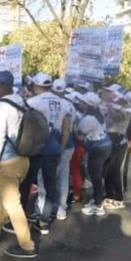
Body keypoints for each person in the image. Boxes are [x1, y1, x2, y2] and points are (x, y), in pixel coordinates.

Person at [0, 70, 37, 259]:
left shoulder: (0, 107)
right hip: (24, 159)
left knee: (13, 203)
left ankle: (27, 245)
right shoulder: (23, 101)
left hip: (6, 161)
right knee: (8, 198)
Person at [14, 72, 70, 236]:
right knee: (49, 184)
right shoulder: (64, 103)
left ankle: (21, 219)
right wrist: (61, 147)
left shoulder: (32, 102)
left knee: (25, 184)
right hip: (53, 149)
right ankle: (44, 221)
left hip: (34, 149)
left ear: (37, 86)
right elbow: (66, 128)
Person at [74, 92, 112, 216]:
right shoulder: (98, 113)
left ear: (88, 104)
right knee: (97, 176)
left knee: (95, 177)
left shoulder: (88, 119)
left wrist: (72, 131)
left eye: (83, 102)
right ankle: (97, 199)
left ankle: (98, 206)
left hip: (97, 149)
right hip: (105, 146)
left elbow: (80, 137)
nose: (80, 103)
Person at [100, 84, 130, 211]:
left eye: (111, 92)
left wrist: (108, 104)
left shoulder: (127, 107)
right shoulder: (112, 105)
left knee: (114, 170)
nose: (109, 94)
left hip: (118, 141)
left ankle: (118, 199)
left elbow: (117, 117)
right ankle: (109, 195)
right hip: (109, 140)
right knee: (107, 170)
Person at [52, 78, 76, 221]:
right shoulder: (70, 105)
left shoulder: (52, 104)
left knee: (53, 177)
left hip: (59, 145)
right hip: (69, 145)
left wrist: (60, 147)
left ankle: (54, 206)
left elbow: (65, 129)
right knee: (64, 177)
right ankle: (62, 208)